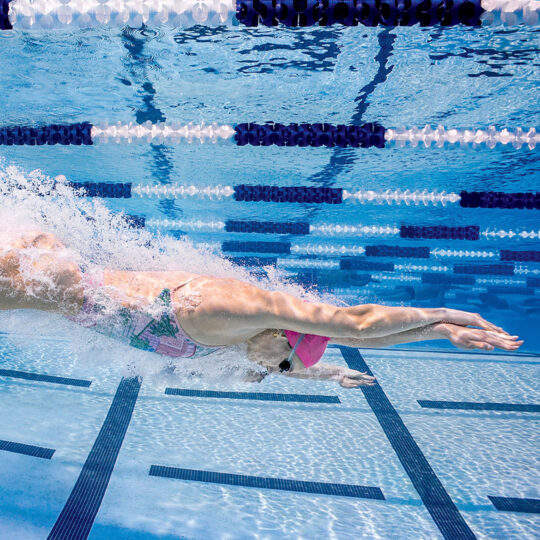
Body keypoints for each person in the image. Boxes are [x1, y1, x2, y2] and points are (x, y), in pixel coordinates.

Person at [0, 229, 523, 388]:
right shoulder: (237, 306)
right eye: (280, 363)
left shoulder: (249, 346)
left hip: (60, 299)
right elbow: (356, 324)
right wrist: (448, 316)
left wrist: (435, 336)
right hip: (64, 289)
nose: (267, 369)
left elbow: (349, 345)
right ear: (285, 336)